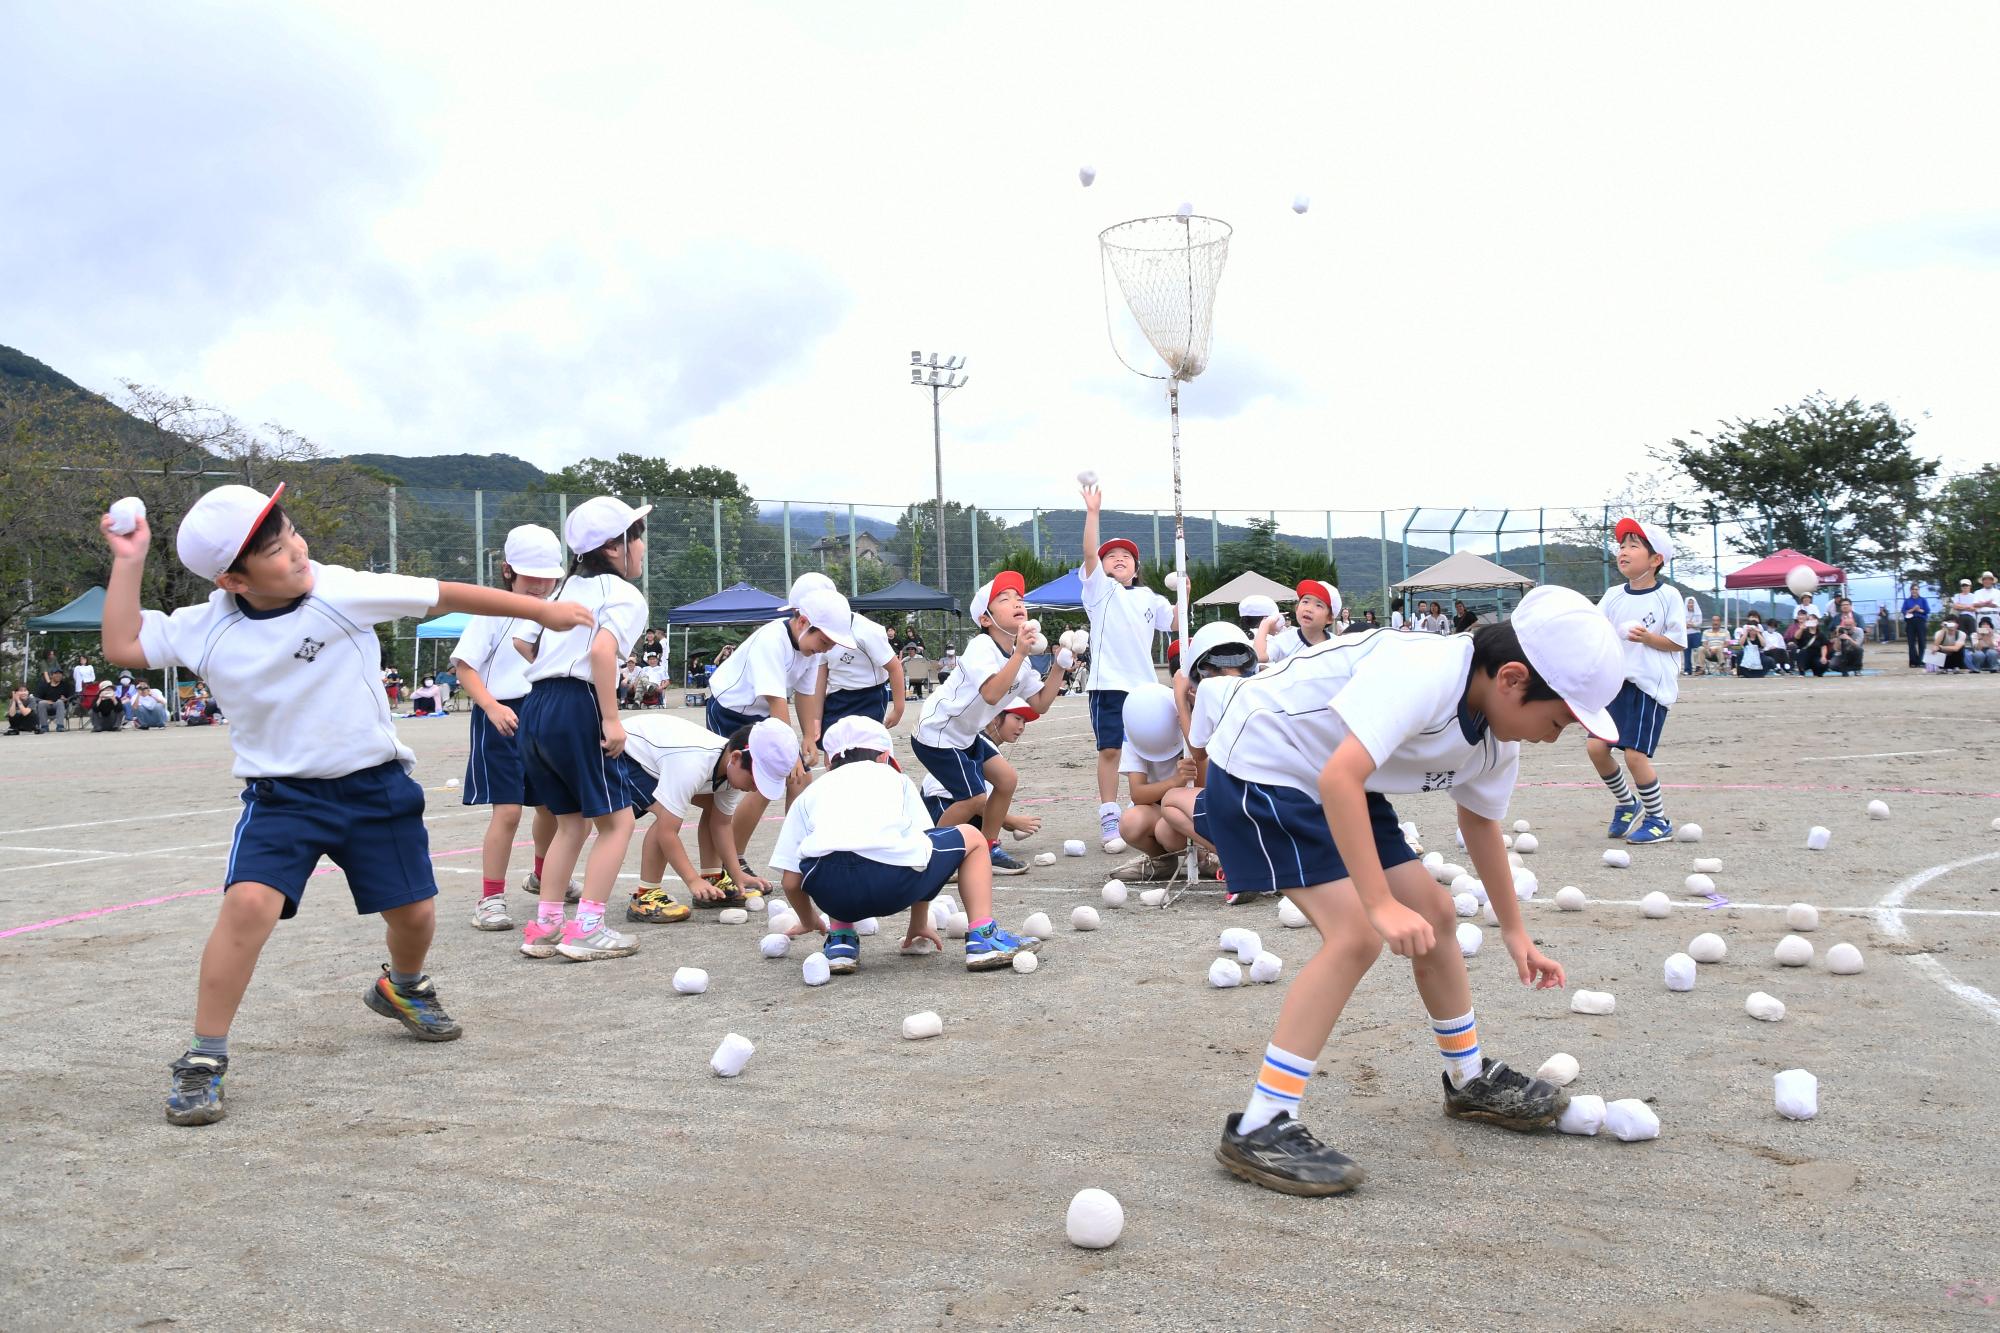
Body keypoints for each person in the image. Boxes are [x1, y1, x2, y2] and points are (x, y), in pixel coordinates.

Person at [97, 482, 590, 1127]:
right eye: (275, 551)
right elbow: (124, 646)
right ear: (232, 580)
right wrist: (128, 560)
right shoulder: (206, 629)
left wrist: (542, 613)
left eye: (292, 533)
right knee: (247, 905)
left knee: (415, 915)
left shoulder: (337, 589)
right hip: (282, 797)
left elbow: (442, 592)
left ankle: (403, 986)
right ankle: (203, 1057)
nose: (297, 551)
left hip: (374, 787)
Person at [1206, 586, 1625, 1195]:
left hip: (1338, 774)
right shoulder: (1425, 671)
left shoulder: (1498, 735)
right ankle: (1262, 1124)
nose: (1555, 734)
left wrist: (1515, 932)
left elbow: (1479, 822)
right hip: (1266, 763)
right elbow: (1338, 776)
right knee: (1355, 936)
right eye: (1558, 718)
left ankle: (1467, 1079)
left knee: (1433, 910)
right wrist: (1377, 905)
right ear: (1511, 679)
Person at [771, 714, 1043, 975]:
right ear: (884, 757)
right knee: (972, 838)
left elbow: (791, 882)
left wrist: (809, 920)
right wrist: (918, 922)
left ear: (829, 762)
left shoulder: (810, 794)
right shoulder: (896, 780)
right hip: (893, 888)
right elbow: (921, 847)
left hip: (833, 895)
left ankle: (841, 939)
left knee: (830, 850)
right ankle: (984, 937)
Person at [512, 497, 654, 963]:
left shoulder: (562, 589)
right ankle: (587, 928)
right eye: (638, 536)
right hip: (580, 704)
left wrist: (555, 671)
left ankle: (545, 926)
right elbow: (601, 653)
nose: (642, 546)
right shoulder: (624, 594)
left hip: (537, 705)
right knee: (619, 821)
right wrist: (611, 719)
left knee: (569, 822)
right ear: (614, 548)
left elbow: (523, 640)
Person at [911, 571, 1071, 876]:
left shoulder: (1019, 659)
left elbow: (1040, 704)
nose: (1016, 602)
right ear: (986, 619)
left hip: (966, 734)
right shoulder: (981, 648)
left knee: (1006, 779)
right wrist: (1022, 652)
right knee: (972, 798)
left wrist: (1059, 668)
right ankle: (931, 856)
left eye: (1019, 598)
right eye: (1004, 598)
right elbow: (992, 692)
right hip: (938, 733)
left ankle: (987, 846)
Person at [450, 524, 569, 932]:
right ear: (507, 571)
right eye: (529, 577)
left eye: (547, 576)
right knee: (507, 811)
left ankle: (542, 875)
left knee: (551, 806)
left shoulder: (559, 608)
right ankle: (490, 898)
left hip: (544, 715)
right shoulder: (492, 610)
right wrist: (490, 706)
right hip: (500, 717)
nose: (539, 586)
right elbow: (464, 666)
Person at [702, 574, 856, 888]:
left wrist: (810, 738)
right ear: (802, 622)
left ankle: (798, 856)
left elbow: (805, 694)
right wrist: (790, 756)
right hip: (731, 713)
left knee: (802, 777)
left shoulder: (812, 649)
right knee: (752, 783)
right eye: (824, 641)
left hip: (761, 718)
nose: (824, 649)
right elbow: (777, 703)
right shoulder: (771, 641)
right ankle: (732, 863)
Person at [1077, 480, 1176, 852]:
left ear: (1136, 569)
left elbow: (1177, 621)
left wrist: (1185, 588)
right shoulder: (1100, 591)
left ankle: (1144, 811)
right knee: (1110, 751)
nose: (1119, 559)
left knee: (1150, 751)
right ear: (1102, 568)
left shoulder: (1150, 596)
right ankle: (1108, 816)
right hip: (1108, 685)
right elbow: (1089, 554)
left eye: (1127, 557)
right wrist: (1092, 513)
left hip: (1146, 689)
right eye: (1111, 556)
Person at [621, 714, 797, 921]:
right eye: (757, 779)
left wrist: (736, 873)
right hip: (627, 753)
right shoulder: (692, 765)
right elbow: (666, 832)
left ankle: (713, 877)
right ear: (736, 758)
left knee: (715, 808)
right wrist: (692, 880)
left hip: (658, 756)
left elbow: (721, 824)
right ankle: (646, 895)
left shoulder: (732, 771)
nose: (756, 788)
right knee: (665, 815)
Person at [1586, 518, 1684, 845]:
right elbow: (1596, 628)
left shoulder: (1668, 595)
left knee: (1634, 755)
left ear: (1656, 560)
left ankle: (1659, 820)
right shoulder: (1614, 595)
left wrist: (1648, 638)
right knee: (1596, 747)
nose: (1623, 552)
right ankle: (1628, 803)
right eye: (1622, 545)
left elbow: (1678, 642)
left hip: (1648, 687)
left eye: (1633, 545)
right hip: (1615, 684)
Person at [1160, 622, 1259, 889]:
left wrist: (1181, 699)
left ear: (1204, 665)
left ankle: (1238, 856)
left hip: (1241, 800)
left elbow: (1199, 751)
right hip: (1276, 801)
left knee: (1170, 801)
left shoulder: (1209, 688)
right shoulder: (1261, 684)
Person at [1109, 683, 1200, 883]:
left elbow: (1206, 788)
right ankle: (1162, 862)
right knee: (1131, 822)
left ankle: (1206, 859)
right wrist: (1176, 781)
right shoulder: (1135, 735)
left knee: (1167, 832)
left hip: (1195, 814)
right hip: (1162, 810)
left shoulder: (1190, 730)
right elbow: (1138, 794)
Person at [815, 606, 908, 732]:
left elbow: (895, 668)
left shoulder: (867, 632)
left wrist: (898, 709)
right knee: (831, 744)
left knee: (864, 747)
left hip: (868, 695)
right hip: (836, 696)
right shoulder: (818, 631)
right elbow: (820, 681)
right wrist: (816, 719)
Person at [1257, 580, 1339, 665]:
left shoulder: (1339, 645)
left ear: (1330, 618)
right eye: (1305, 602)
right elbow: (1260, 656)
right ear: (1297, 608)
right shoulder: (1285, 640)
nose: (1308, 609)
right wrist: (1265, 625)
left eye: (1318, 605)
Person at [1902, 583, 1931, 668]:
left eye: (1916, 589)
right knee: (1911, 643)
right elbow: (1904, 611)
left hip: (1920, 621)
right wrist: (1913, 609)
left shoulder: (1923, 600)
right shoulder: (1907, 601)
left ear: (1918, 590)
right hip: (1910, 622)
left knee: (1922, 641)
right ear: (1910, 590)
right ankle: (1913, 662)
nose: (1914, 591)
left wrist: (1919, 610)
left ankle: (1922, 661)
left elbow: (1927, 610)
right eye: (1913, 589)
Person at [1681, 595, 1702, 676]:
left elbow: (1699, 623)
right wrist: (1688, 624)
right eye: (1689, 603)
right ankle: (1687, 670)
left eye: (1692, 603)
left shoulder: (1698, 612)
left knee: (1697, 652)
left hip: (1696, 634)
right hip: (1686, 634)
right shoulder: (1682, 613)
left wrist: (1691, 625)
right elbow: (1681, 623)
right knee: (1686, 652)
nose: (1690, 604)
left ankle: (1698, 668)